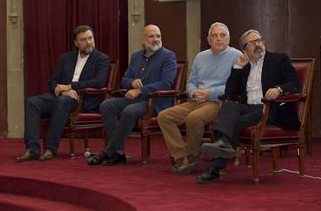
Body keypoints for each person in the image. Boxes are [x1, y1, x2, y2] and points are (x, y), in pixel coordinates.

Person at [196, 29, 301, 184]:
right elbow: (230, 94)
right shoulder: (243, 67)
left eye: (258, 40)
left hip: (270, 109)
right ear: (244, 50)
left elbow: (295, 85)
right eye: (251, 43)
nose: (257, 44)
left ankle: (215, 166)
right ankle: (223, 146)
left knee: (230, 123)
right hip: (248, 109)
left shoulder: (279, 59)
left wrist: (279, 89)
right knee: (230, 106)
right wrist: (237, 68)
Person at [16, 25, 110, 162]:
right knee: (32, 103)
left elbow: (98, 82)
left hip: (83, 99)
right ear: (76, 43)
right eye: (84, 40)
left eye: (90, 38)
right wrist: (60, 89)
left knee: (61, 102)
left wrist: (70, 87)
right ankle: (33, 149)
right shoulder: (66, 58)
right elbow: (53, 82)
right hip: (63, 96)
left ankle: (51, 149)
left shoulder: (101, 59)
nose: (89, 42)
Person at [157, 22, 241, 175]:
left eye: (222, 35)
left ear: (229, 39)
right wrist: (194, 92)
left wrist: (210, 93)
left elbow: (235, 86)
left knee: (194, 118)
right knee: (164, 116)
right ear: (208, 40)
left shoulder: (236, 56)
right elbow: (191, 82)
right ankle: (182, 156)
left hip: (217, 102)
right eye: (214, 36)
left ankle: (192, 155)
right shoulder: (200, 57)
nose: (218, 39)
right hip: (194, 100)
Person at [87, 24, 176, 165]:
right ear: (144, 39)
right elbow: (124, 80)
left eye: (158, 36)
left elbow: (166, 83)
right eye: (151, 36)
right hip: (135, 99)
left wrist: (141, 90)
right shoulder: (136, 56)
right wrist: (132, 82)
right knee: (106, 106)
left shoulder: (168, 56)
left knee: (129, 111)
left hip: (154, 102)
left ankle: (108, 151)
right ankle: (119, 153)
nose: (155, 39)